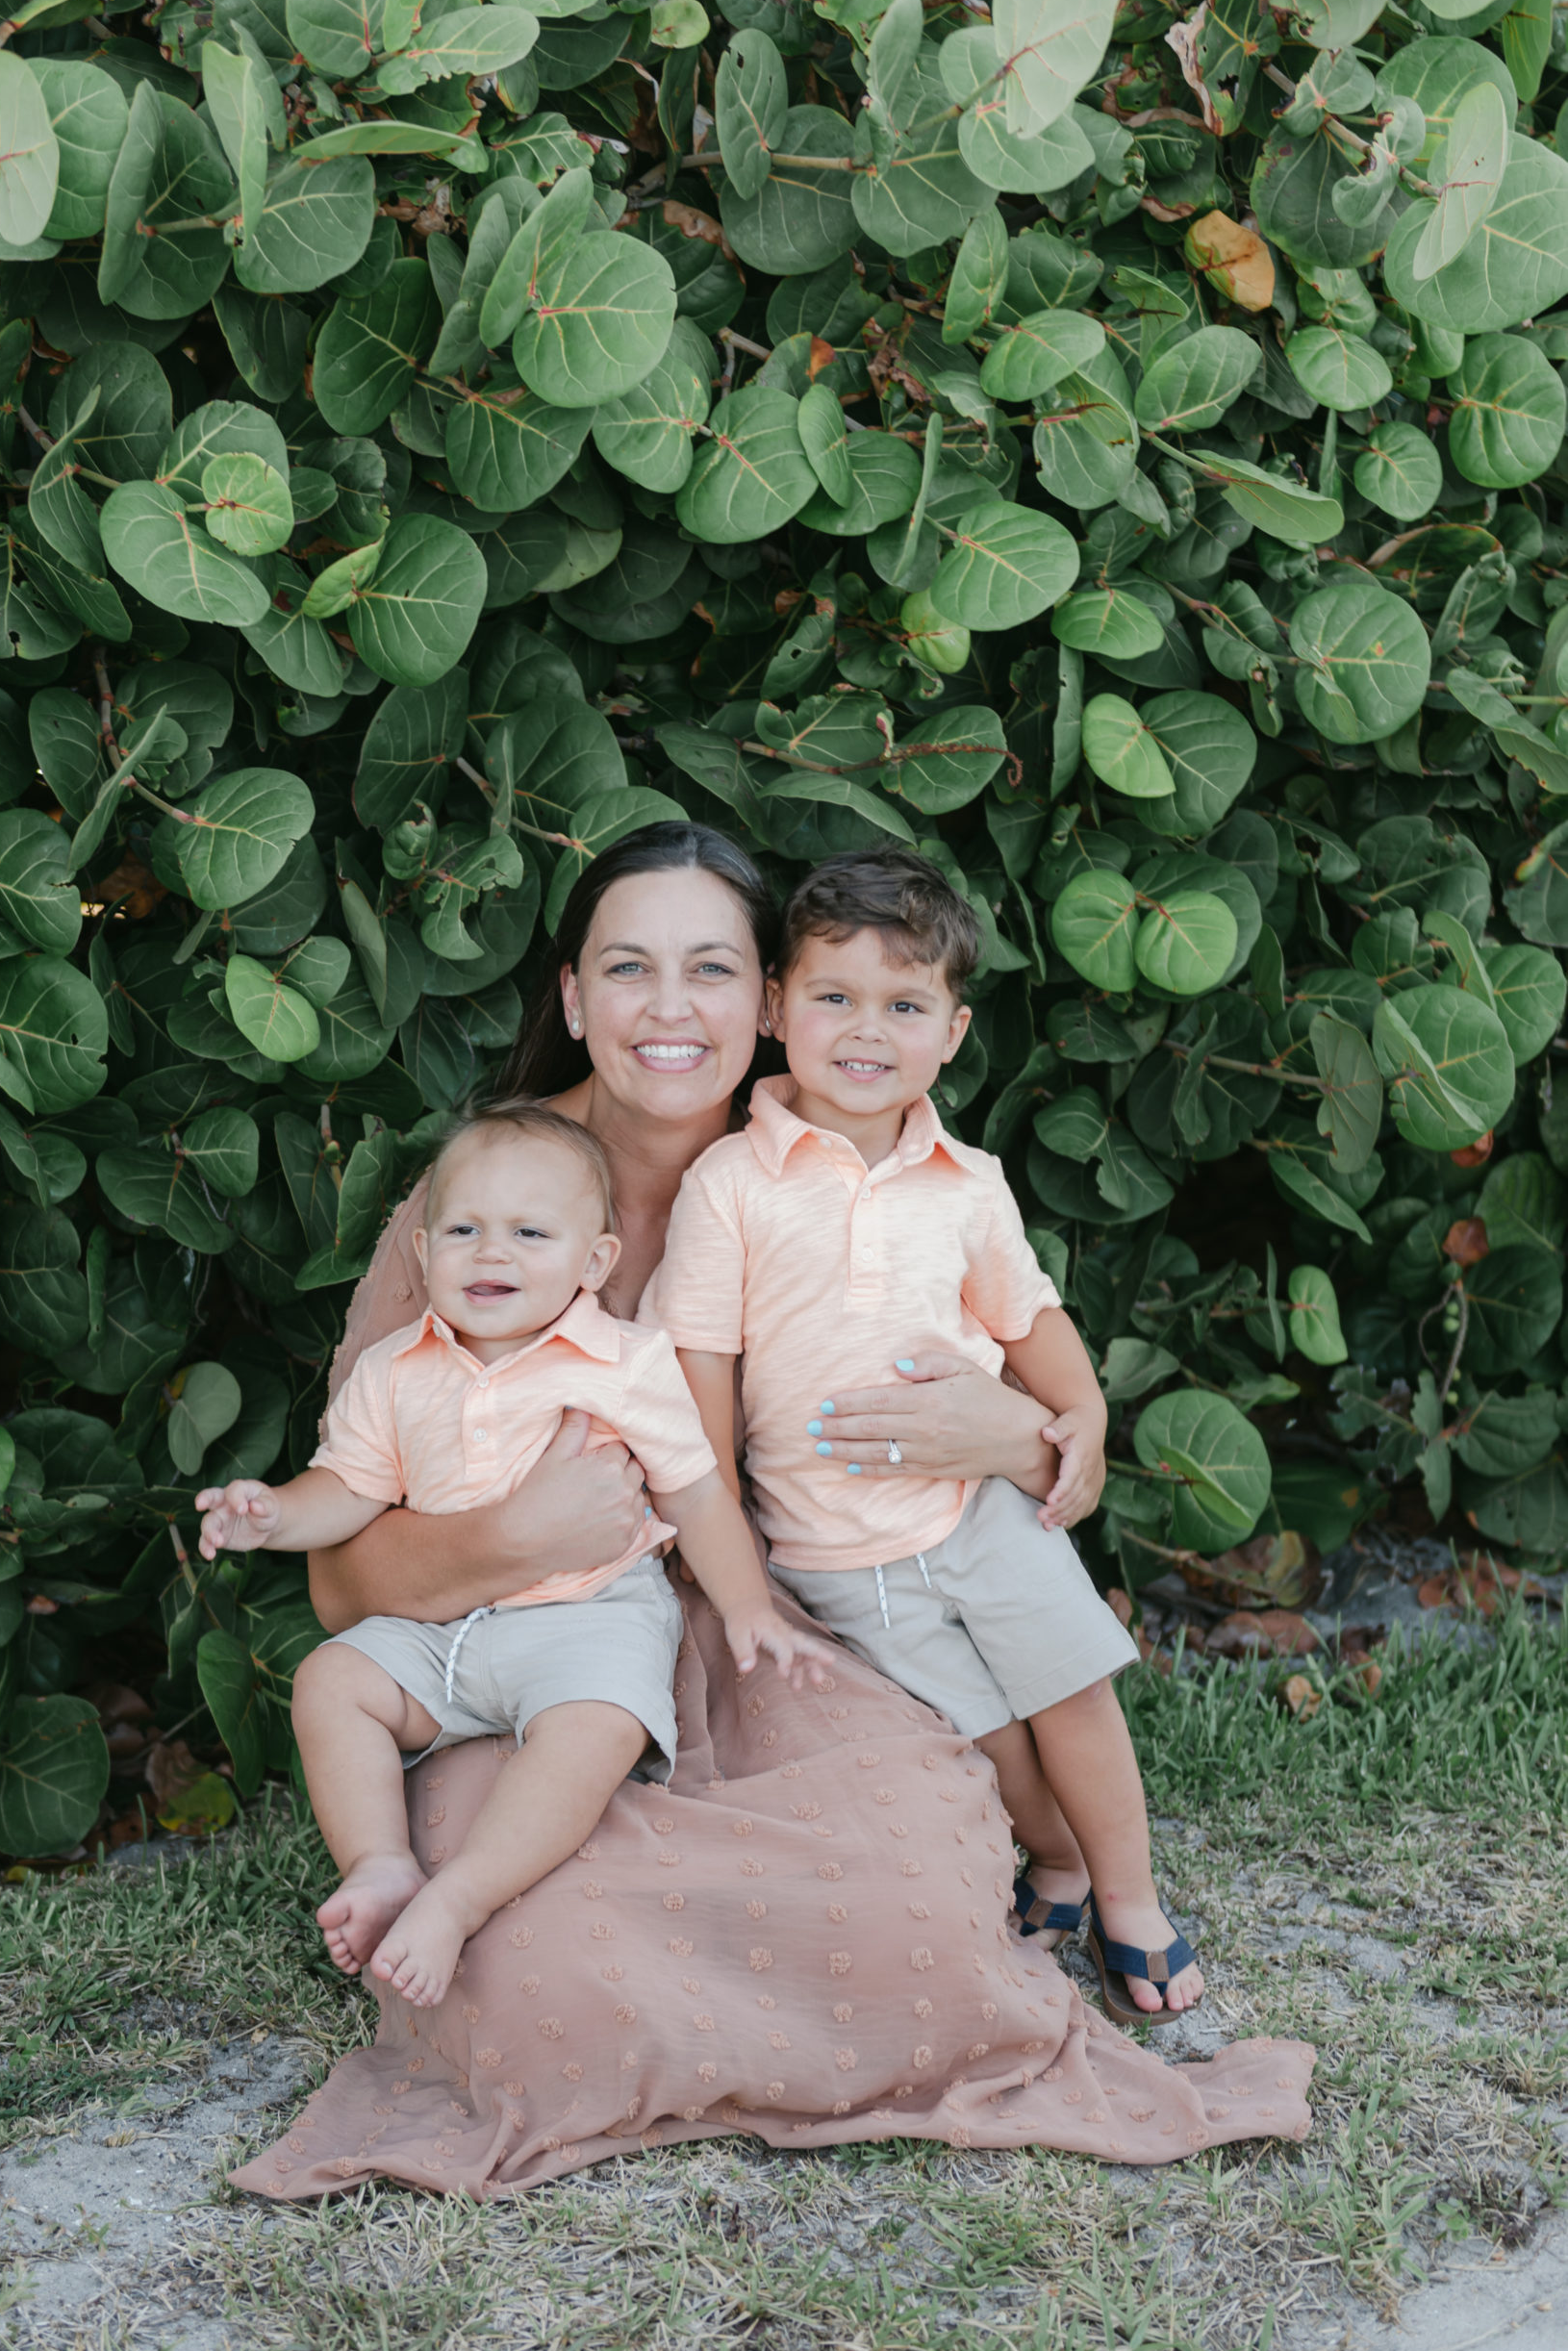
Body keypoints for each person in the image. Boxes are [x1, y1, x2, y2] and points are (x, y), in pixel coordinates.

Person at [229, 823, 1312, 2205]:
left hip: (790, 1618)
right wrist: (516, 1537)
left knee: (923, 1912)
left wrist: (1029, 1433)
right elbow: (341, 1597)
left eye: (711, 972)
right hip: (524, 1649)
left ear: (768, 1004)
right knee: (526, 1976)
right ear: (571, 997)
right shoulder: (486, 1204)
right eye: (629, 970)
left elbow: (1007, 1363)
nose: (670, 1011)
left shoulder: (842, 1171)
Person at [646, 850, 1201, 2025]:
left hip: (981, 1511)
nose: (865, 1029)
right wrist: (734, 1569)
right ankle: (1052, 1862)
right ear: (772, 1011)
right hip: (833, 1549)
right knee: (988, 1736)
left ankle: (1131, 1895)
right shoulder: (728, 1186)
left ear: (949, 1033)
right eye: (833, 997)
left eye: (902, 1005)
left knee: (1070, 1694)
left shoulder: (966, 1181)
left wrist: (1085, 1413)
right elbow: (700, 1374)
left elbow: (1027, 1317)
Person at [197, 1102, 825, 2010]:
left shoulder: (622, 1363)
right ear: (423, 1255)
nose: (492, 1254)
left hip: (586, 1614)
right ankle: (378, 1864)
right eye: (464, 1231)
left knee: (598, 1724)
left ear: (594, 1261)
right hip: (442, 1628)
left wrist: (748, 1606)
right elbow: (350, 1489)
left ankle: (459, 1897)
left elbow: (693, 1492)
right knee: (330, 1681)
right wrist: (272, 1515)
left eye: (530, 1233)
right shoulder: (394, 1372)